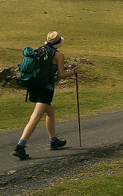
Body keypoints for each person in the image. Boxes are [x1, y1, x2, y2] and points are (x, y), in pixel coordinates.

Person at [12, 31, 78, 160]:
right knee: (35, 117)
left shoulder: (38, 51)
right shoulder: (58, 55)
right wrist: (73, 72)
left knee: (50, 112)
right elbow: (61, 75)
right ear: (59, 43)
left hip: (33, 86)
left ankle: (54, 141)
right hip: (45, 89)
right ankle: (20, 146)